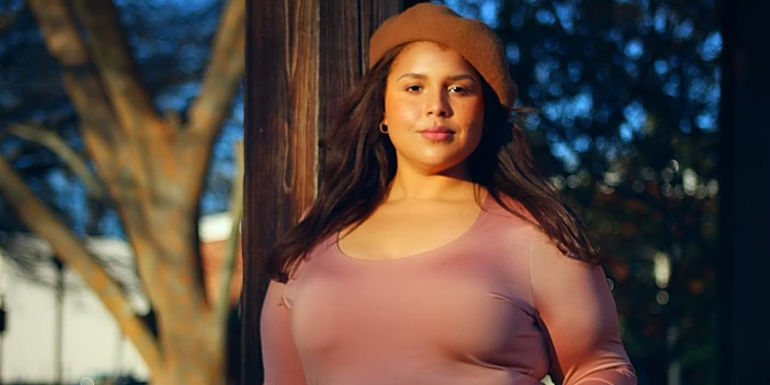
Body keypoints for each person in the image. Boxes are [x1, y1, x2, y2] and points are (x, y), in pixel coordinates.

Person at [259, 3, 637, 385]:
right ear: (382, 111)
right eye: (414, 87)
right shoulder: (313, 236)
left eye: (458, 89)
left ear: (484, 112)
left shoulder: (536, 233)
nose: (436, 107)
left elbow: (599, 369)